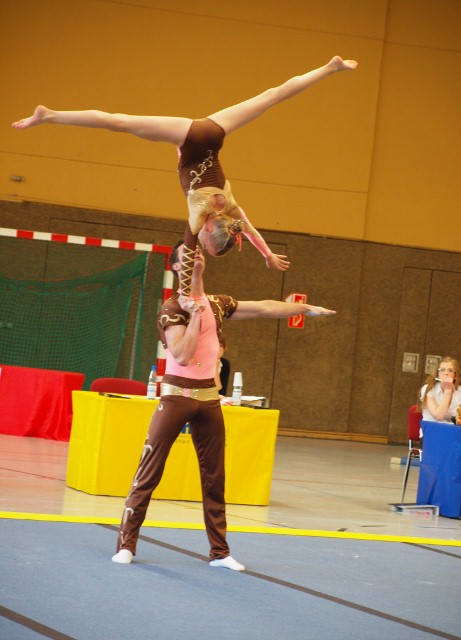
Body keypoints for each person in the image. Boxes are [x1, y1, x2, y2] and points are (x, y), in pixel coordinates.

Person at [111, 240, 336, 569]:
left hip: (209, 400)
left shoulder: (217, 303)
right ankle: (126, 544)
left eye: (199, 251)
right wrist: (194, 317)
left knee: (215, 479)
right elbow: (182, 356)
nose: (197, 256)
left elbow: (262, 308)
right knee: (149, 473)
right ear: (177, 267)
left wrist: (302, 309)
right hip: (176, 398)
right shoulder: (172, 309)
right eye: (188, 255)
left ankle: (220, 552)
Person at [12, 55, 357, 269]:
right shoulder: (198, 218)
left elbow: (250, 231)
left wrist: (266, 254)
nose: (199, 247)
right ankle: (50, 115)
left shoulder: (231, 210)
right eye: (205, 245)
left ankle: (330, 67)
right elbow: (188, 254)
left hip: (213, 133)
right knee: (117, 122)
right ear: (207, 232)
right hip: (189, 137)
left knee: (272, 96)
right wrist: (187, 291)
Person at [417, 356, 461, 423]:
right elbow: (438, 416)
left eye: (450, 370)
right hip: (432, 427)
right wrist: (448, 391)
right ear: (438, 374)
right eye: (442, 370)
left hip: (453, 428)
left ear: (455, 375)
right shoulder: (428, 389)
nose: (446, 373)